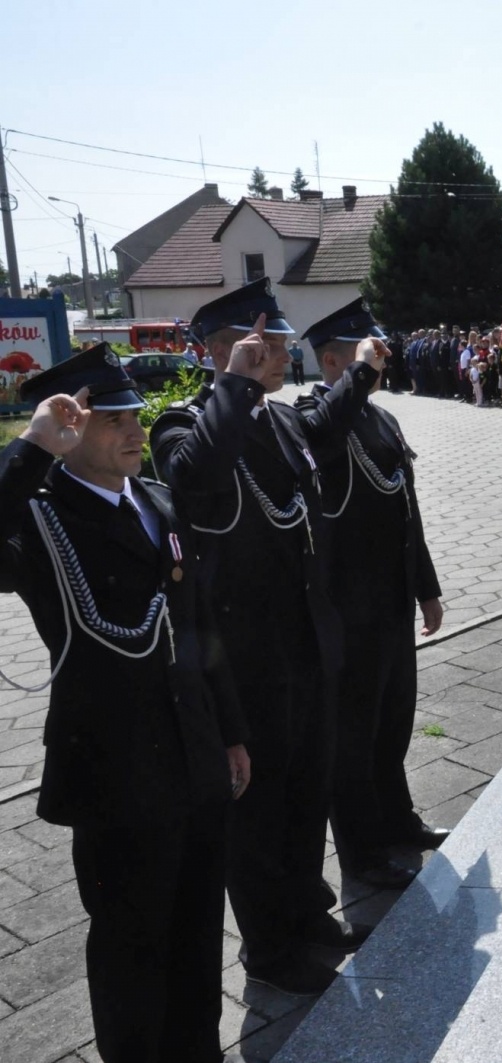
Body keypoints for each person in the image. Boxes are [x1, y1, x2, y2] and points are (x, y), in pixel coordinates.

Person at [1, 345, 249, 1062]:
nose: (136, 430)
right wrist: (31, 447)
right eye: (113, 420)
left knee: (197, 932)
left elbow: (199, 627)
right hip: (115, 771)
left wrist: (231, 732)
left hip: (193, 755)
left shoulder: (159, 502)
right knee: (130, 947)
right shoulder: (43, 516)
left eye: (135, 414)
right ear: (71, 430)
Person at [150, 278, 385, 996]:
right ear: (226, 350)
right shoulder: (185, 424)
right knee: (258, 808)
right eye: (271, 344)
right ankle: (270, 947)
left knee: (307, 789)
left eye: (282, 344)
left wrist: (363, 373)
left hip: (304, 642)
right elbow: (192, 475)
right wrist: (233, 384)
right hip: (245, 655)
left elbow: (325, 430)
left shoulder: (279, 418)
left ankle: (307, 911)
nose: (285, 355)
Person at [296, 300, 448, 891]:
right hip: (346, 608)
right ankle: (362, 853)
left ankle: (397, 821)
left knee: (393, 721)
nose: (379, 359)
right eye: (364, 352)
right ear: (333, 361)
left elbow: (408, 510)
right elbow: (321, 436)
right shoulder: (312, 415)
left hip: (390, 599)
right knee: (353, 736)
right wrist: (358, 377)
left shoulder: (381, 419)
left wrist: (426, 589)